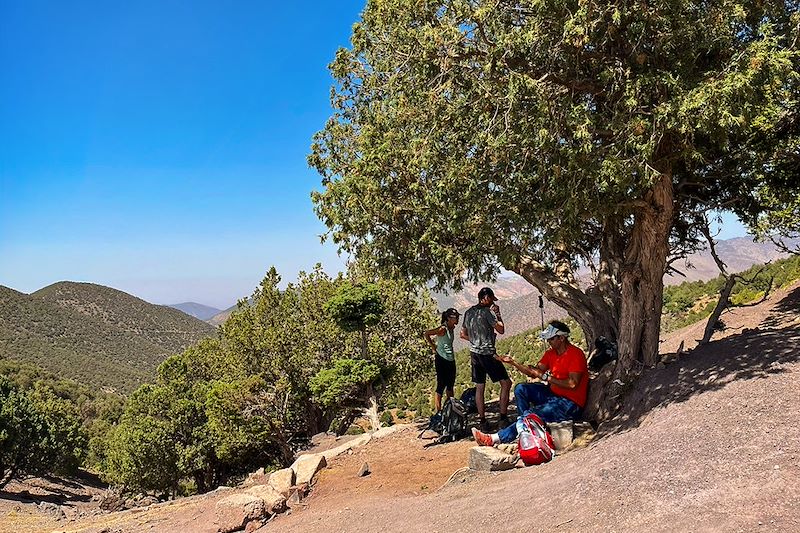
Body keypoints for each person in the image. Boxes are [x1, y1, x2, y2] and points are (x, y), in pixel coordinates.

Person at [472, 320, 588, 446]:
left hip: (570, 403)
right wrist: (513, 362)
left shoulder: (575, 354)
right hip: (553, 394)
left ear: (561, 338)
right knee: (521, 388)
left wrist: (546, 377)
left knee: (532, 413)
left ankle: (495, 438)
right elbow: (534, 372)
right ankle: (525, 428)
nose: (548, 342)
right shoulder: (551, 354)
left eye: (551, 339)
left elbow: (572, 384)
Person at [460, 287, 512, 432]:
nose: (491, 304)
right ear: (486, 298)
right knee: (506, 383)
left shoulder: (469, 312)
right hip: (488, 353)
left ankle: (482, 421)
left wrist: (476, 341)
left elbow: (463, 334)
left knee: (480, 387)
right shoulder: (488, 312)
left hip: (474, 353)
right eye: (491, 300)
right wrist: (498, 314)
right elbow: (501, 330)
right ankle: (502, 418)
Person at [424, 308, 460, 412]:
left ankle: (450, 409)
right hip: (441, 359)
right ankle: (438, 411)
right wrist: (433, 346)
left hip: (450, 359)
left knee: (450, 384)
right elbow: (427, 333)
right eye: (455, 317)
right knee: (441, 385)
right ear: (449, 318)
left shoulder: (451, 327)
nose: (457, 319)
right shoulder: (442, 329)